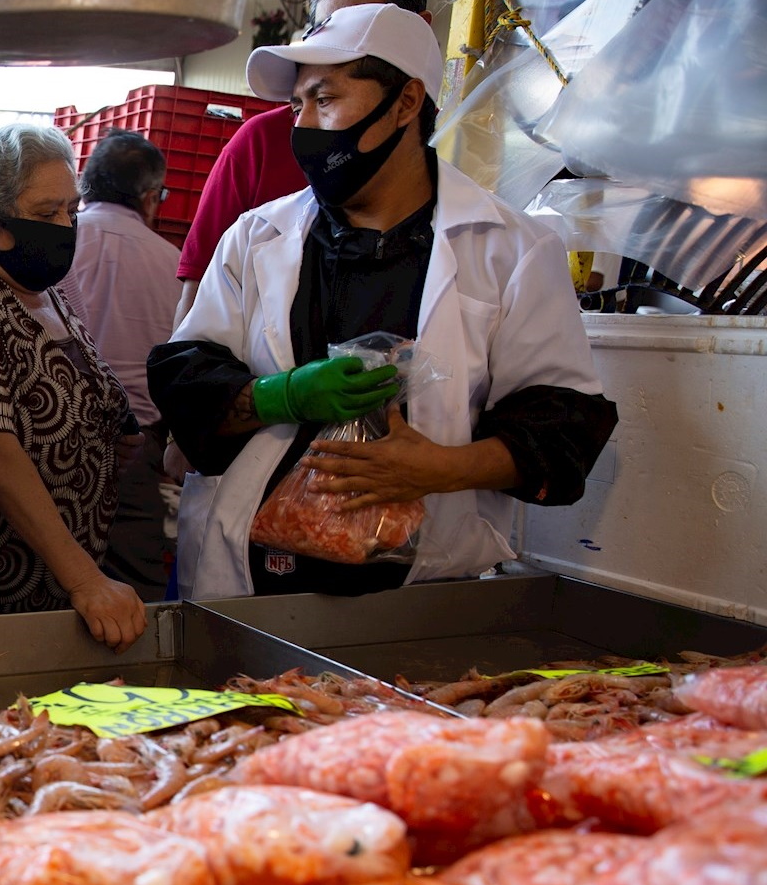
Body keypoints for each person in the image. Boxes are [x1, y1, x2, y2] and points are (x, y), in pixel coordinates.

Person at [148, 5, 618, 601]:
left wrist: (438, 468)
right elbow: (185, 376)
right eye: (297, 107)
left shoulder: (510, 249)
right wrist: (282, 395)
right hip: (250, 572)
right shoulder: (257, 236)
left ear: (405, 102)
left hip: (417, 591)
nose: (305, 127)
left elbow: (563, 426)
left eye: (325, 100)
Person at [0, 124, 149, 652]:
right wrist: (86, 580)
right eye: (46, 215)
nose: (66, 227)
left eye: (71, 210)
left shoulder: (45, 294)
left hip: (59, 588)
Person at [173, 0, 432, 326]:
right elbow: (196, 319)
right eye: (328, 24)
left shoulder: (477, 228)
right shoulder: (260, 147)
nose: (302, 126)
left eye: (363, 20)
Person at [59, 130, 182, 603]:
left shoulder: (57, 242)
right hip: (135, 451)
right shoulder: (175, 265)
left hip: (47, 441)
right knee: (136, 590)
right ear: (150, 197)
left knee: (44, 577)